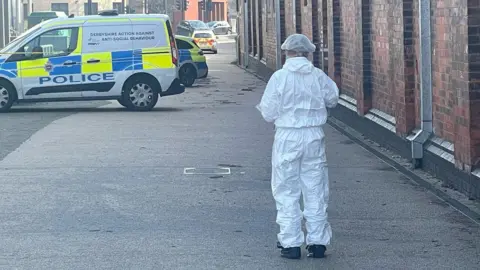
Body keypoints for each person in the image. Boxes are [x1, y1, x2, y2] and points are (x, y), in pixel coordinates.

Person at [256, 34, 339, 259]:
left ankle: (291, 243)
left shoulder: (279, 78)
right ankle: (318, 242)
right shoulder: (318, 76)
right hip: (314, 136)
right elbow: (333, 98)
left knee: (286, 189)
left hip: (287, 136)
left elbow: (268, 113)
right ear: (308, 53)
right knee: (315, 188)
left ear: (287, 52)